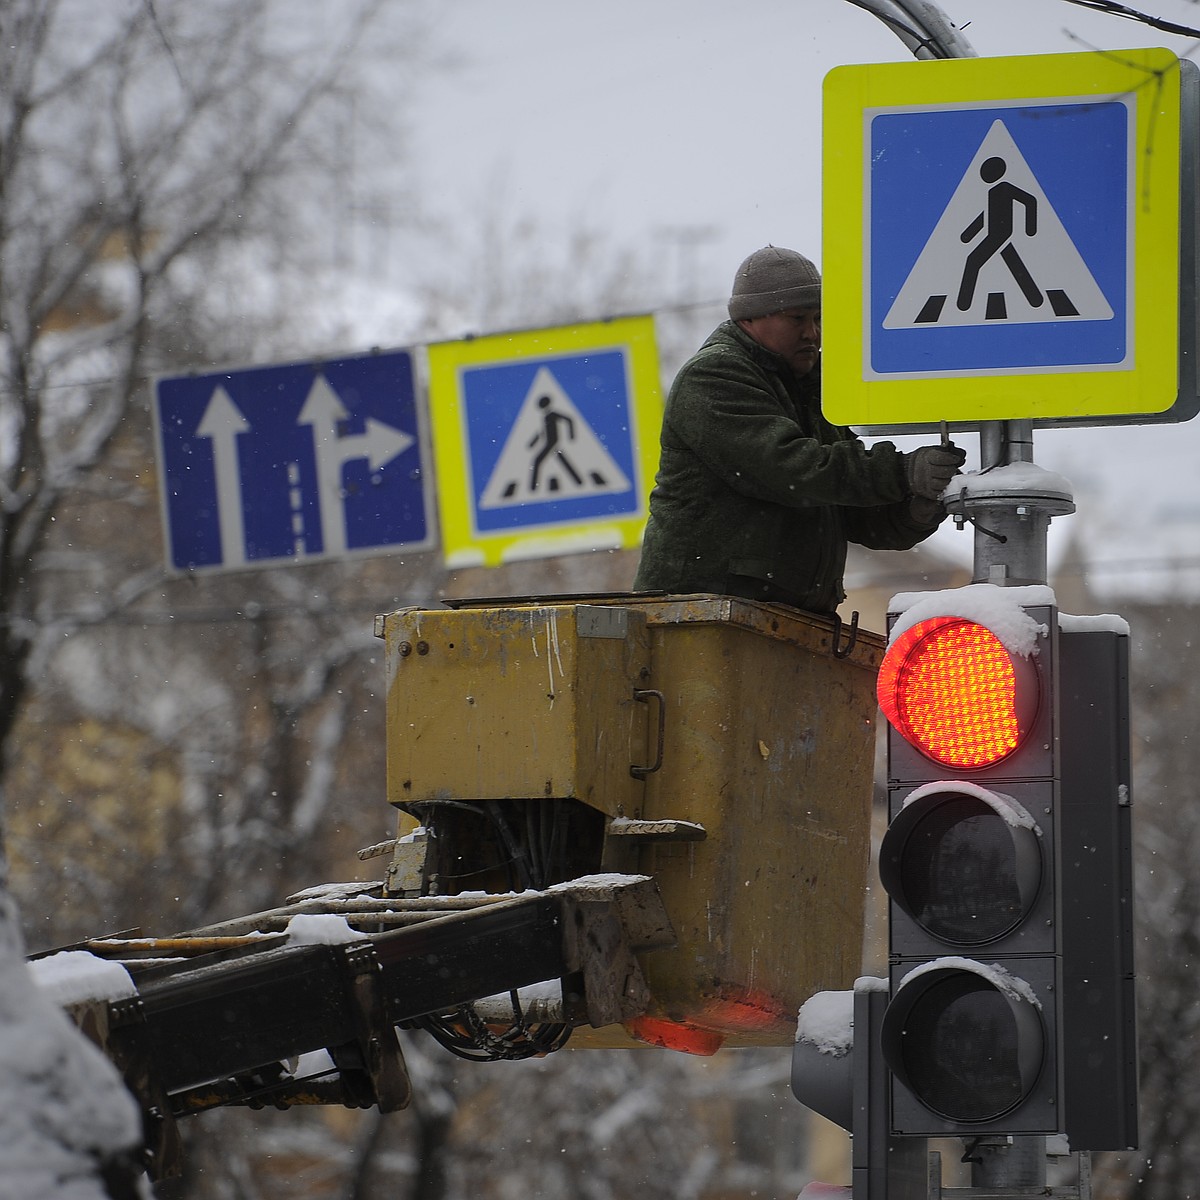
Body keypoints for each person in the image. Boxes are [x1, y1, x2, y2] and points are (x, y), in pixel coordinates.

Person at [633, 245, 965, 617]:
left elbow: (847, 508)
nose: (813, 333)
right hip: (701, 617)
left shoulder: (810, 387)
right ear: (750, 319)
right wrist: (901, 471)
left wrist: (914, 508)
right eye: (797, 319)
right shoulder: (714, 375)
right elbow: (792, 470)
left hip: (777, 618)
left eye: (818, 318)